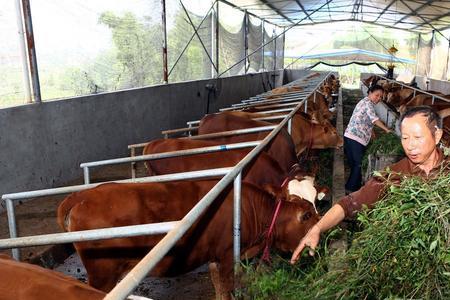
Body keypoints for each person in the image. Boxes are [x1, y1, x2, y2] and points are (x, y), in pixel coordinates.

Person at [291, 106, 448, 264]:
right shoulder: (393, 176)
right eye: (405, 138)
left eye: (418, 137)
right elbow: (349, 203)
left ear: (437, 136)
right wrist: (317, 228)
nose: (410, 146)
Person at [344, 84, 391, 194]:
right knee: (358, 164)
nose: (379, 98)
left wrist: (372, 132)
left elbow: (366, 120)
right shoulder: (368, 104)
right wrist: (386, 130)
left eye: (381, 97)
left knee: (354, 164)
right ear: (369, 92)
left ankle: (354, 185)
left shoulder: (363, 102)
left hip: (350, 136)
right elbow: (374, 120)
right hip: (356, 138)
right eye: (377, 95)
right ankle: (350, 189)